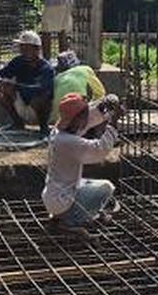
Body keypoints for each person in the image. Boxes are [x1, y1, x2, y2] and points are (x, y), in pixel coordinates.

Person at [42, 92, 123, 238]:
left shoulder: (58, 132)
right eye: (83, 116)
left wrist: (103, 105)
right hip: (62, 200)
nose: (86, 119)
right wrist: (113, 124)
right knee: (106, 187)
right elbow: (99, 150)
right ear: (77, 119)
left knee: (89, 183)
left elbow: (85, 119)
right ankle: (70, 222)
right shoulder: (68, 142)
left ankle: (62, 216)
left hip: (54, 195)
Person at [0, 30, 55, 134]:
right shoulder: (18, 61)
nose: (23, 51)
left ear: (37, 50)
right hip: (22, 101)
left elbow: (40, 88)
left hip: (37, 107)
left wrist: (16, 86)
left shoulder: (46, 68)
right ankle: (17, 123)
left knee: (42, 97)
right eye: (22, 48)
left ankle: (43, 127)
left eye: (27, 48)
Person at [50, 51, 107, 133]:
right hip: (79, 119)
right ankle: (97, 133)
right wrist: (92, 106)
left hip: (58, 118)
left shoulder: (57, 78)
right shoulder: (86, 69)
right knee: (106, 105)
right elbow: (101, 93)